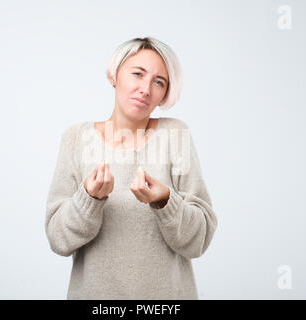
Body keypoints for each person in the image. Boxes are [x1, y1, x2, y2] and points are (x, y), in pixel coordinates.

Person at [45, 36, 218, 299]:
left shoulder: (176, 135)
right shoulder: (76, 139)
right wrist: (89, 198)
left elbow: (198, 241)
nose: (146, 89)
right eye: (137, 74)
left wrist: (165, 200)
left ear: (164, 94)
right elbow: (59, 239)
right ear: (114, 75)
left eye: (158, 82)